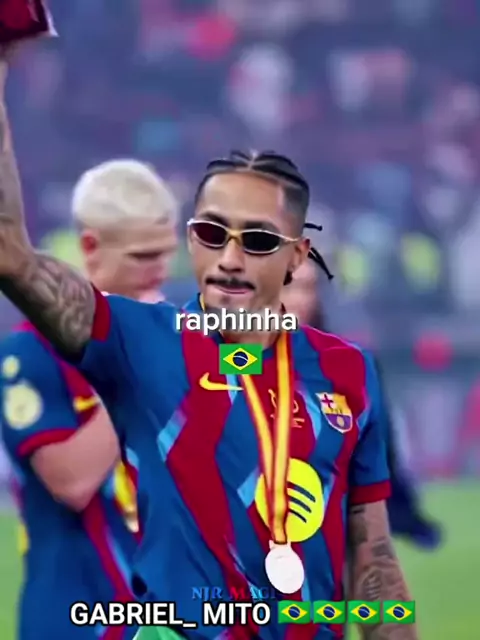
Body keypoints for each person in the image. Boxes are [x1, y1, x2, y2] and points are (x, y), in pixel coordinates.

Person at [0, 49, 416, 640]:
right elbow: (11, 256)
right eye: (211, 233)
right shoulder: (141, 340)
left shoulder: (347, 371)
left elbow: (372, 554)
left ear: (297, 256)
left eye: (258, 240)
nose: (229, 258)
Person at [0, 157, 179, 639]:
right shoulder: (29, 354)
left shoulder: (179, 339)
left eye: (166, 254)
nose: (160, 270)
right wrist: (138, 368)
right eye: (142, 256)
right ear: (90, 248)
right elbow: (72, 481)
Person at [282, 261, 442, 550]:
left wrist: (404, 515)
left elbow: (379, 452)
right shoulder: (236, 361)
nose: (298, 299)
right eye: (287, 287)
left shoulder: (348, 364)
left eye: (308, 288)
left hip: (334, 535)